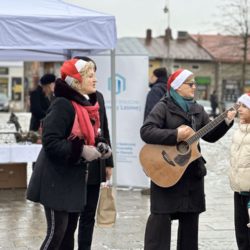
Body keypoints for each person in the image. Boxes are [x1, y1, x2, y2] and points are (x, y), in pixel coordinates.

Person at [140, 68, 236, 250]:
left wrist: (226, 122)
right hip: (166, 171)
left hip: (191, 173)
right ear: (177, 87)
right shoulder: (163, 106)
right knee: (160, 224)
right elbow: (147, 131)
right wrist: (175, 134)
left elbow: (210, 135)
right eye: (190, 84)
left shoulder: (197, 109)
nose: (194, 87)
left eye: (195, 84)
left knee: (190, 227)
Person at [26, 58, 112, 250]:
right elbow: (50, 142)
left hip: (73, 179)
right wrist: (80, 150)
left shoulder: (85, 105)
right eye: (90, 76)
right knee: (57, 233)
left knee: (68, 232)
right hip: (55, 178)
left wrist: (100, 145)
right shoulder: (63, 104)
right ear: (76, 81)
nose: (95, 80)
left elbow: (89, 136)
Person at [74, 56, 114, 250]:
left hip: (96, 164)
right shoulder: (67, 99)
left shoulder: (98, 97)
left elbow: (104, 130)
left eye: (94, 73)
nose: (94, 78)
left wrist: (109, 162)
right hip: (75, 165)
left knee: (89, 213)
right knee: (72, 214)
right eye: (90, 74)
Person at [228, 93, 250, 250]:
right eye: (239, 105)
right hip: (239, 190)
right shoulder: (239, 130)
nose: (239, 109)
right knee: (241, 235)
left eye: (244, 106)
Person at [141, 67, 168, 195]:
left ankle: (155, 186)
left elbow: (150, 112)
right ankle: (164, 184)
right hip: (167, 134)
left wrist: (147, 130)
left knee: (154, 160)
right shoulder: (169, 90)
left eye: (151, 76)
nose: (150, 78)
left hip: (155, 133)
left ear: (156, 77)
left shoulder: (155, 90)